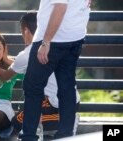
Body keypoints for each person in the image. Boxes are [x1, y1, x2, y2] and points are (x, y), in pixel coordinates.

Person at [0, 12, 80, 138]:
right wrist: (9, 60)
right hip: (73, 100)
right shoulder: (56, 44)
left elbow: (5, 76)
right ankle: (66, 120)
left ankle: (67, 120)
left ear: (26, 31)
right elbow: (24, 64)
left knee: (18, 121)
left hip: (55, 105)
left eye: (21, 32)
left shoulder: (27, 54)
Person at [21, 0, 91, 140]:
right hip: (75, 36)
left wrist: (46, 42)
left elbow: (60, 7)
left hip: (54, 39)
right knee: (67, 87)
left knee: (32, 87)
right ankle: (65, 135)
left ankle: (29, 136)